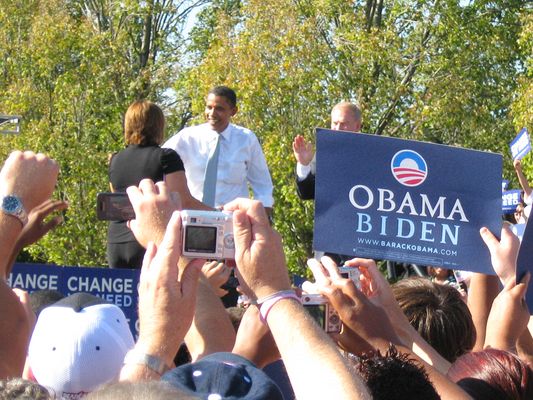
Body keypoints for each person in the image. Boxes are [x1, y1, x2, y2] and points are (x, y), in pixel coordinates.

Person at [108, 100, 210, 269]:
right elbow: (184, 201)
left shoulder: (115, 159)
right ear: (158, 125)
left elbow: (115, 201)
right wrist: (221, 214)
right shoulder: (166, 157)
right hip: (150, 238)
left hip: (116, 241)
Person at [162, 86, 274, 214]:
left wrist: (264, 217)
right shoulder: (187, 137)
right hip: (193, 217)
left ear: (233, 111)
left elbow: (262, 184)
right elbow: (158, 159)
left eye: (219, 109)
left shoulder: (246, 139)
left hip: (233, 219)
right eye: (209, 107)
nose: (212, 113)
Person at [292, 101, 362, 200]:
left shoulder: (372, 154)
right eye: (335, 123)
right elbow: (306, 193)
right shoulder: (323, 155)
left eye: (344, 124)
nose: (338, 128)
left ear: (357, 126)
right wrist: (304, 164)